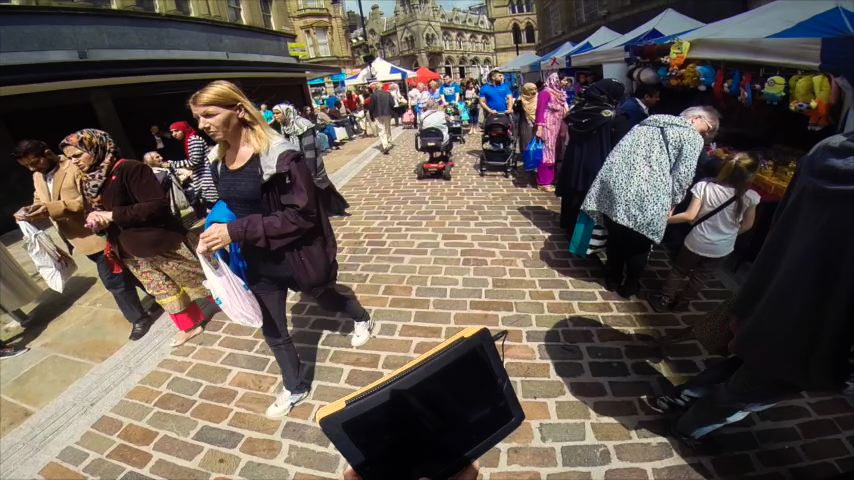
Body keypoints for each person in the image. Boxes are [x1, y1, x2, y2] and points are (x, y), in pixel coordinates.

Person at [645, 132, 854, 445]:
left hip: (774, 287)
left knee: (743, 361)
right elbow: (750, 226)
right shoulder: (753, 195)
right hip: (821, 318)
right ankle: (689, 425)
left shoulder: (827, 149)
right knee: (752, 387)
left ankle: (685, 395)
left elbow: (777, 226)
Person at [190, 81, 374, 418]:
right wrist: (215, 232)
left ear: (239, 111)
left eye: (209, 114)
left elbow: (302, 216)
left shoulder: (281, 155)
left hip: (296, 255)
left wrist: (236, 230)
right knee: (273, 327)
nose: (202, 124)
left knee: (326, 297)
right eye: (197, 118)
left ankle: (361, 317)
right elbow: (232, 206)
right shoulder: (218, 160)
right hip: (257, 260)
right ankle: (295, 385)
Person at [61, 129, 210, 347]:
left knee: (199, 278)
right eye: (70, 158)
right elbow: (95, 210)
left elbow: (156, 205)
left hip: (159, 242)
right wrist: (94, 219)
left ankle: (238, 303)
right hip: (128, 248)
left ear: (96, 147)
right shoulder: (89, 180)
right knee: (163, 291)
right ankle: (189, 325)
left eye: (78, 155)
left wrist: (112, 215)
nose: (74, 162)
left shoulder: (130, 169)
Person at [12, 140, 156, 340]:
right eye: (26, 166)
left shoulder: (75, 165)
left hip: (98, 233)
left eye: (35, 163)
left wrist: (51, 208)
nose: (31, 169)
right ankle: (159, 294)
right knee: (127, 271)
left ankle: (139, 318)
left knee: (112, 280)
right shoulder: (38, 175)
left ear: (47, 153)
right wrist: (30, 210)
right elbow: (40, 199)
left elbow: (87, 199)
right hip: (78, 239)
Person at [582, 106, 720, 298]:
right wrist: (674, 202)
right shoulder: (691, 136)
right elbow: (683, 175)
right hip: (650, 195)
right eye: (707, 129)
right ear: (695, 119)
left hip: (616, 187)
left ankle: (612, 278)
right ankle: (630, 284)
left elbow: (619, 153)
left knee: (616, 236)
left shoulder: (645, 123)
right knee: (640, 243)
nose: (706, 134)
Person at [648, 153, 760, 312]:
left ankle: (664, 299)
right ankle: (683, 302)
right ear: (751, 175)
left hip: (697, 241)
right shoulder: (751, 197)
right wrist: (729, 234)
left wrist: (662, 220)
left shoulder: (705, 187)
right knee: (702, 275)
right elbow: (748, 225)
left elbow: (689, 215)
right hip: (722, 248)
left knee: (679, 270)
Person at [557, 79, 625, 234]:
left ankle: (569, 224)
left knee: (572, 190)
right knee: (588, 193)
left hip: (575, 155)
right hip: (596, 157)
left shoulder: (579, 109)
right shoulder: (610, 114)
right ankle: (583, 233)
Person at [273, 103, 350, 216]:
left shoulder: (303, 124)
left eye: (278, 113)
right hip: (297, 161)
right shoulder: (286, 125)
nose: (275, 116)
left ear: (287, 112)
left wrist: (310, 170)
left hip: (309, 161)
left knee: (320, 184)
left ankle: (333, 208)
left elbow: (309, 149)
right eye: (274, 113)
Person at [168, 121, 219, 219]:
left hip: (206, 176)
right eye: (172, 132)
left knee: (214, 203)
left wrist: (173, 163)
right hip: (202, 176)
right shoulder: (189, 140)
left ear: (183, 129)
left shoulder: (193, 140)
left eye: (176, 131)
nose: (174, 134)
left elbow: (194, 161)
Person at [534, 73, 569, 192]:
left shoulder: (561, 94)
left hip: (558, 128)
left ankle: (551, 179)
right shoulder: (545, 93)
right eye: (563, 80)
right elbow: (540, 111)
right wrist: (539, 128)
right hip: (547, 127)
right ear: (556, 80)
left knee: (555, 152)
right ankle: (543, 182)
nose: (565, 82)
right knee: (547, 153)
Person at [368, 82, 395, 154]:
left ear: (376, 87)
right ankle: (389, 142)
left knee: (381, 130)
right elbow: (393, 104)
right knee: (387, 128)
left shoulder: (373, 95)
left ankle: (385, 145)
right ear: (383, 87)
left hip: (377, 114)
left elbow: (371, 107)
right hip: (387, 113)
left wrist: (371, 115)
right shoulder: (387, 93)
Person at [514, 82, 538, 159]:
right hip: (525, 123)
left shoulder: (538, 98)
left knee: (537, 142)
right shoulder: (520, 100)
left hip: (537, 123)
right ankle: (527, 159)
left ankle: (535, 158)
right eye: (531, 89)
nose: (534, 91)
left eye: (535, 89)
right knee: (526, 141)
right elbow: (516, 111)